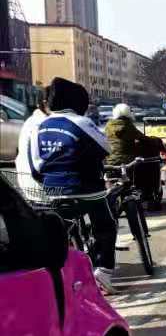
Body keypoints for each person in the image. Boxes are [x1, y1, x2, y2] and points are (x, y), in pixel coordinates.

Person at [28, 77, 117, 294]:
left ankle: (57, 273)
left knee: (59, 229)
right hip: (85, 188)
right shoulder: (81, 122)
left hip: (52, 190)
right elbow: (106, 148)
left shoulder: (39, 126)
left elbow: (36, 165)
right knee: (106, 226)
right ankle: (103, 271)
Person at [15, 87, 49, 194]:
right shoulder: (44, 124)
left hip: (26, 184)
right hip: (42, 190)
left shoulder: (31, 120)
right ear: (46, 103)